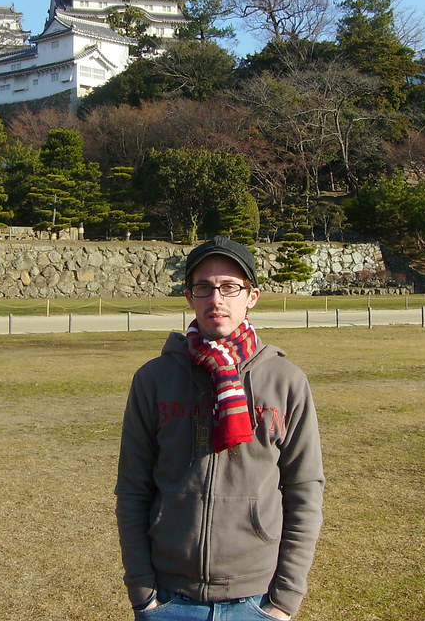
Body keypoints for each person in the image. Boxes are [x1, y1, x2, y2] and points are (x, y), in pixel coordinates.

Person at [116, 236, 324, 620]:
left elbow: (304, 489)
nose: (217, 299)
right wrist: (144, 594)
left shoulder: (286, 381)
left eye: (230, 287)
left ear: (252, 296)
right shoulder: (154, 379)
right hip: (169, 597)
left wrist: (284, 601)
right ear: (189, 296)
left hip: (256, 599)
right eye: (204, 287)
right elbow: (133, 488)